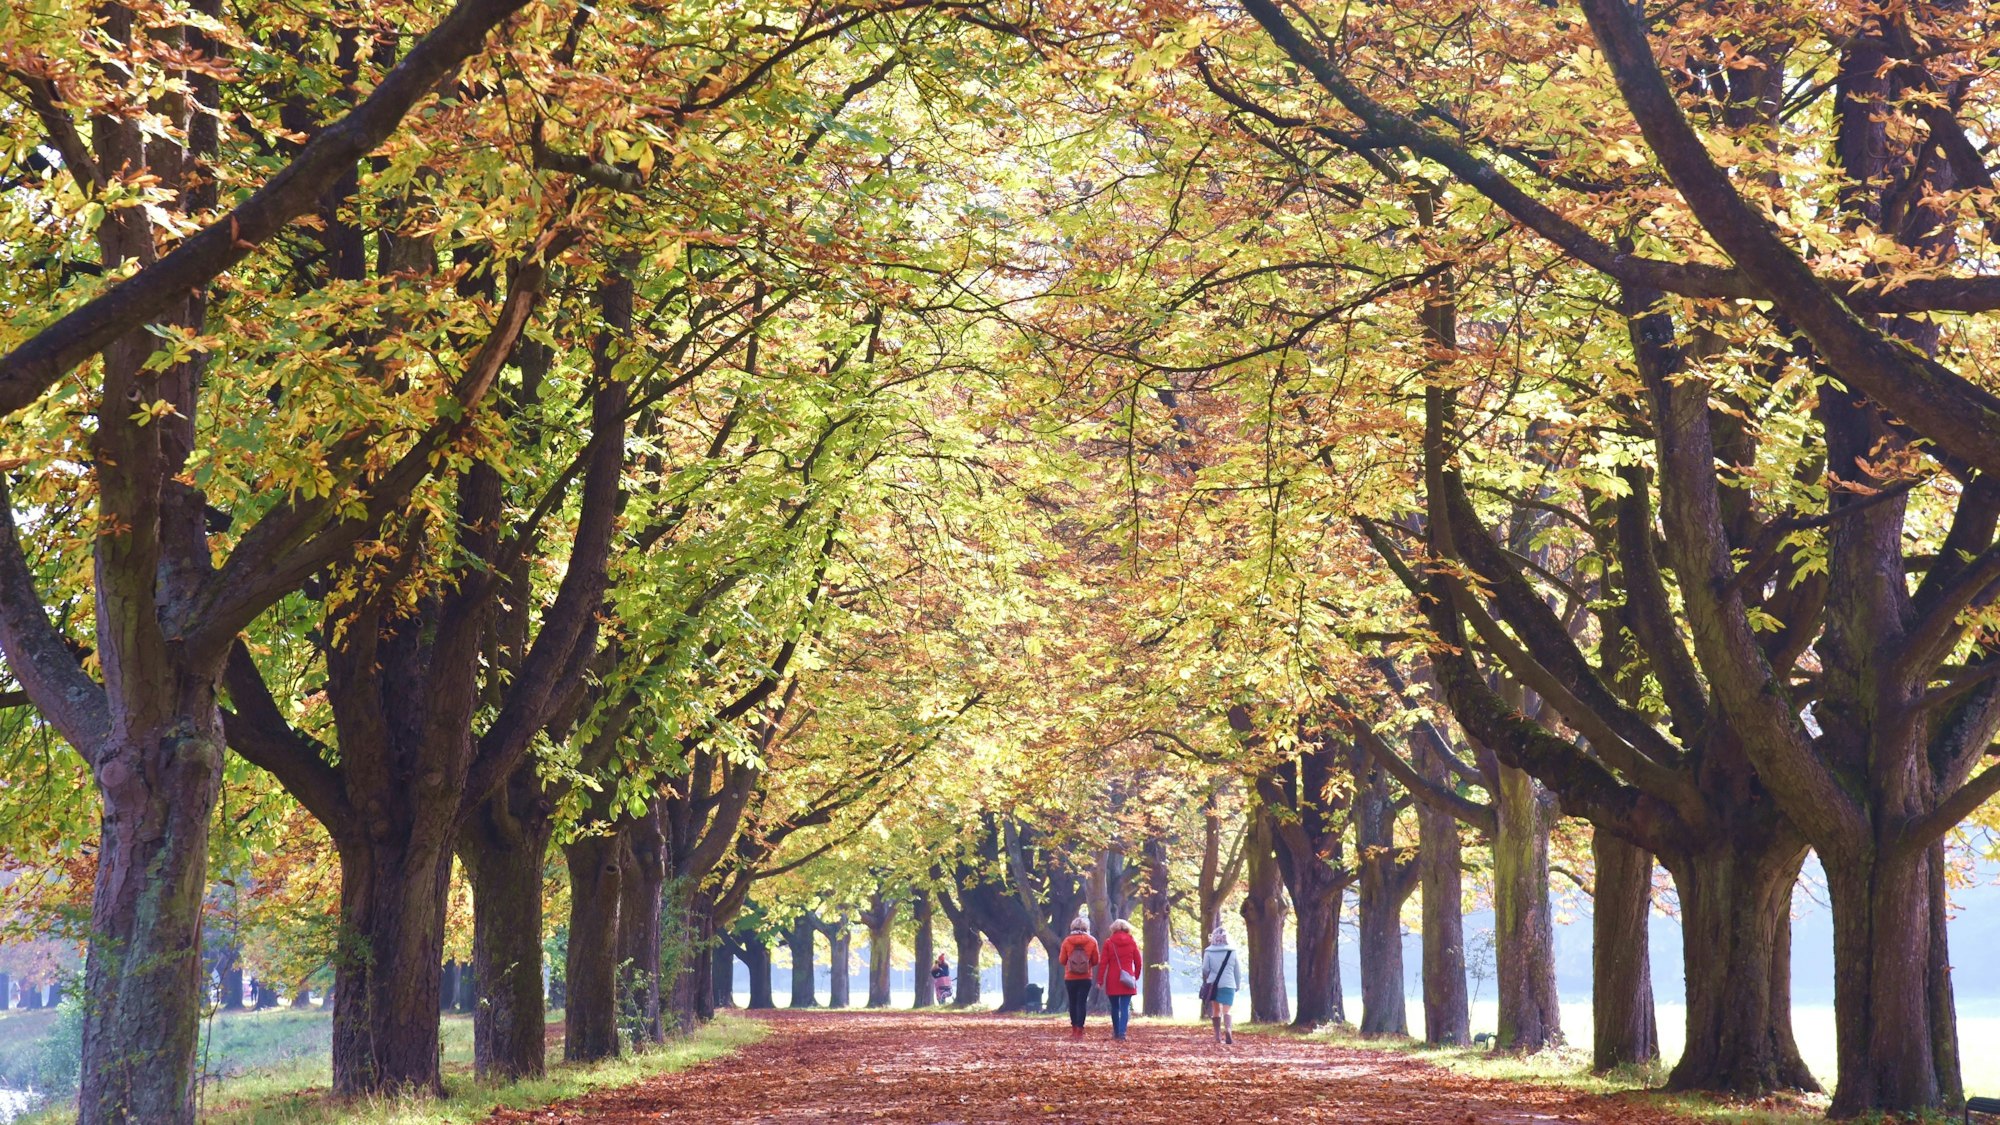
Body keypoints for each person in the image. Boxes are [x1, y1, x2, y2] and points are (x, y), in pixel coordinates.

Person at [1095, 918, 1141, 1041]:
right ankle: (1122, 1033)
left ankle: (1116, 1032)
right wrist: (1135, 976)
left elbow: (1103, 963)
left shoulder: (1109, 943)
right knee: (1125, 1007)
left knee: (1114, 1007)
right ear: (1127, 929)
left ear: (1113, 929)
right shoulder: (1132, 942)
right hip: (1127, 978)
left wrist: (1100, 980)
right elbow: (1138, 961)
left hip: (1113, 979)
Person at [1057, 917, 1099, 1040]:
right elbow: (1096, 960)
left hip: (1070, 977)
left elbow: (1062, 960)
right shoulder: (1092, 941)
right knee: (1082, 1002)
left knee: (1072, 1002)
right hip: (1086, 977)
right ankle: (1080, 1030)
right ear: (1087, 928)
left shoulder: (1067, 941)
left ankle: (1074, 1029)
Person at [1201, 926, 1242, 1045]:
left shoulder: (1208, 951)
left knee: (1216, 1010)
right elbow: (1237, 971)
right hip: (1229, 984)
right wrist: (1237, 985)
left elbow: (1205, 969)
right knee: (1227, 1010)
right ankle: (1228, 1029)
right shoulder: (1232, 951)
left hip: (1213, 984)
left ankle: (1217, 1036)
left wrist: (1209, 975)